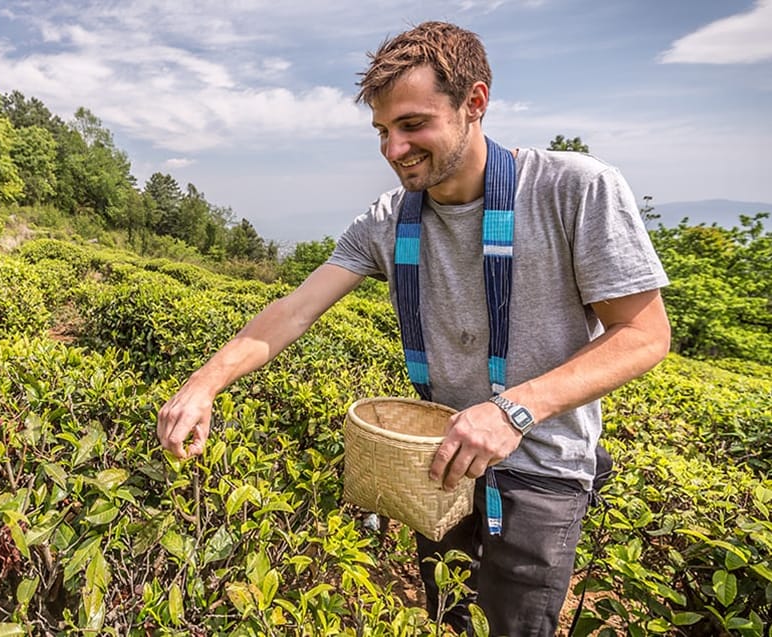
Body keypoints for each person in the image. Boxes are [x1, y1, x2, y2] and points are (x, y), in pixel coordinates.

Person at [156, 20, 670, 636]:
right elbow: (294, 309)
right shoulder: (386, 219)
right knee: (447, 618)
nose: (393, 150)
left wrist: (513, 410)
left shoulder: (573, 189)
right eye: (382, 130)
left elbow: (643, 335)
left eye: (412, 124)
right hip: (438, 460)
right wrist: (204, 384)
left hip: (542, 471)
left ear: (474, 103)